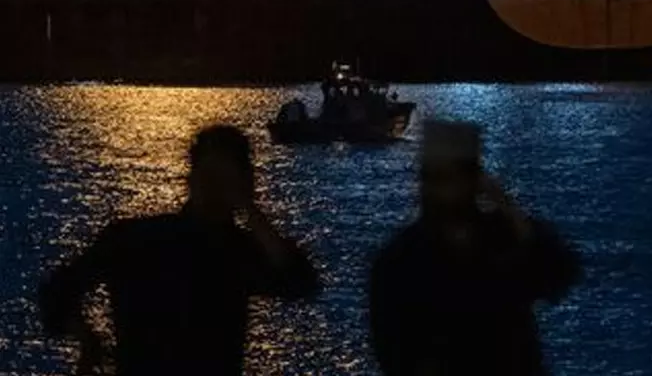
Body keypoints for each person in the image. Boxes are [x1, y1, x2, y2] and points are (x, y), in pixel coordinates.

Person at [39, 125, 321, 376]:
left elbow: (56, 293)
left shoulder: (132, 237)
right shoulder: (237, 251)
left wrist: (87, 341)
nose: (215, 186)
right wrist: (249, 208)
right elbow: (300, 281)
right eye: (212, 175)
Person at [369, 120, 581, 376]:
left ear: (471, 182)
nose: (435, 190)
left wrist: (507, 207)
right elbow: (392, 350)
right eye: (431, 179)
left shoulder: (500, 236)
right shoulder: (402, 258)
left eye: (445, 179)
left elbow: (560, 273)